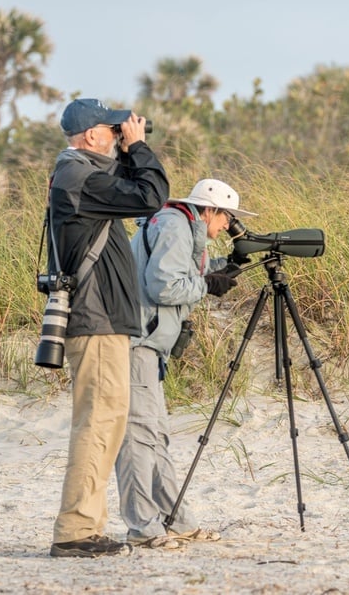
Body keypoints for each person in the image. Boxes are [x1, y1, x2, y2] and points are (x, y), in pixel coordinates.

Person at [47, 98, 169, 558]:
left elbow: (131, 189)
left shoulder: (82, 173)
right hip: (94, 320)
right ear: (92, 135)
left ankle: (86, 525)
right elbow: (149, 195)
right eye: (113, 129)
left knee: (107, 423)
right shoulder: (77, 175)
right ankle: (76, 530)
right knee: (98, 423)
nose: (121, 134)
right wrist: (137, 147)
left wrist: (126, 149)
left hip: (104, 320)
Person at [115, 178, 256, 549]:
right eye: (227, 216)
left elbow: (182, 273)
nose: (228, 225)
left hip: (148, 345)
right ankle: (142, 528)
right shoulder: (177, 226)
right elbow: (163, 287)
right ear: (209, 209)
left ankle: (175, 521)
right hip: (137, 342)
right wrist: (209, 285)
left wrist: (230, 266)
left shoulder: (177, 224)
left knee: (155, 435)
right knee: (138, 437)